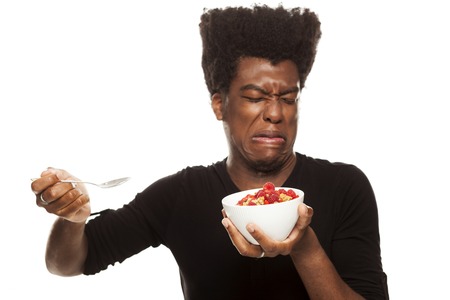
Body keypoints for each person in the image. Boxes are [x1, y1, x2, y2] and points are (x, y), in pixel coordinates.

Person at [31, 5, 389, 299]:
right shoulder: (181, 195)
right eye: (255, 97)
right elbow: (67, 264)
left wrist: (304, 247)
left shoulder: (344, 186)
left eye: (289, 98)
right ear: (220, 104)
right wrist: (72, 218)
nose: (276, 113)